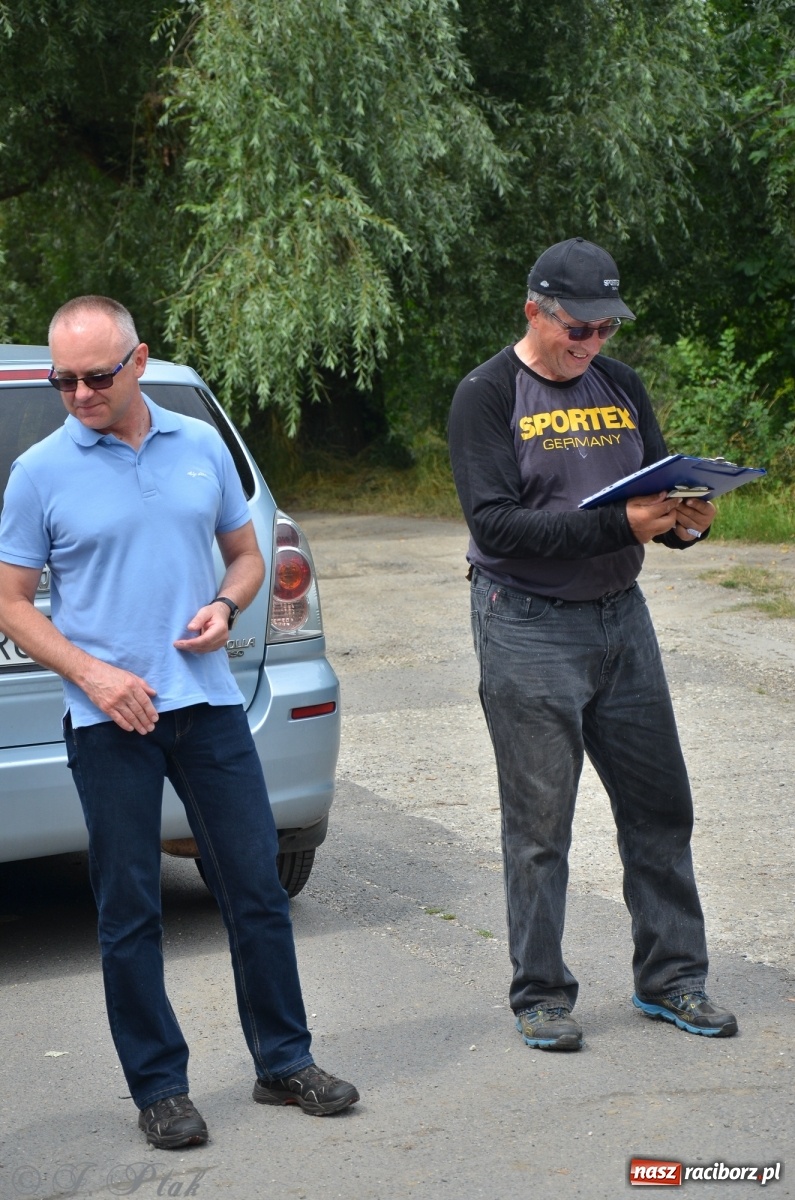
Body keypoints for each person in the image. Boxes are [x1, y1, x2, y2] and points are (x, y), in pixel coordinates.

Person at [0, 296, 359, 1147]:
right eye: (63, 379)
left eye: (95, 376)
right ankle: (159, 1087)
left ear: (139, 361)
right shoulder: (39, 472)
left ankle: (284, 1061)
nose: (79, 393)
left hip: (208, 707)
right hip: (108, 719)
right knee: (129, 911)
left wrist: (227, 607)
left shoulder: (199, 445)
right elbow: (12, 606)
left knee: (256, 889)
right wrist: (93, 674)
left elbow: (245, 555)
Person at [448, 237, 738, 1051]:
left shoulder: (621, 385)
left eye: (604, 329)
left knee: (659, 807)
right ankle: (540, 994)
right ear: (534, 310)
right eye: (576, 327)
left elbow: (653, 490)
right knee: (540, 826)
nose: (589, 344)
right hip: (527, 623)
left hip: (622, 616)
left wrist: (686, 523)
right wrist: (620, 523)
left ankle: (673, 980)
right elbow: (494, 522)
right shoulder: (485, 393)